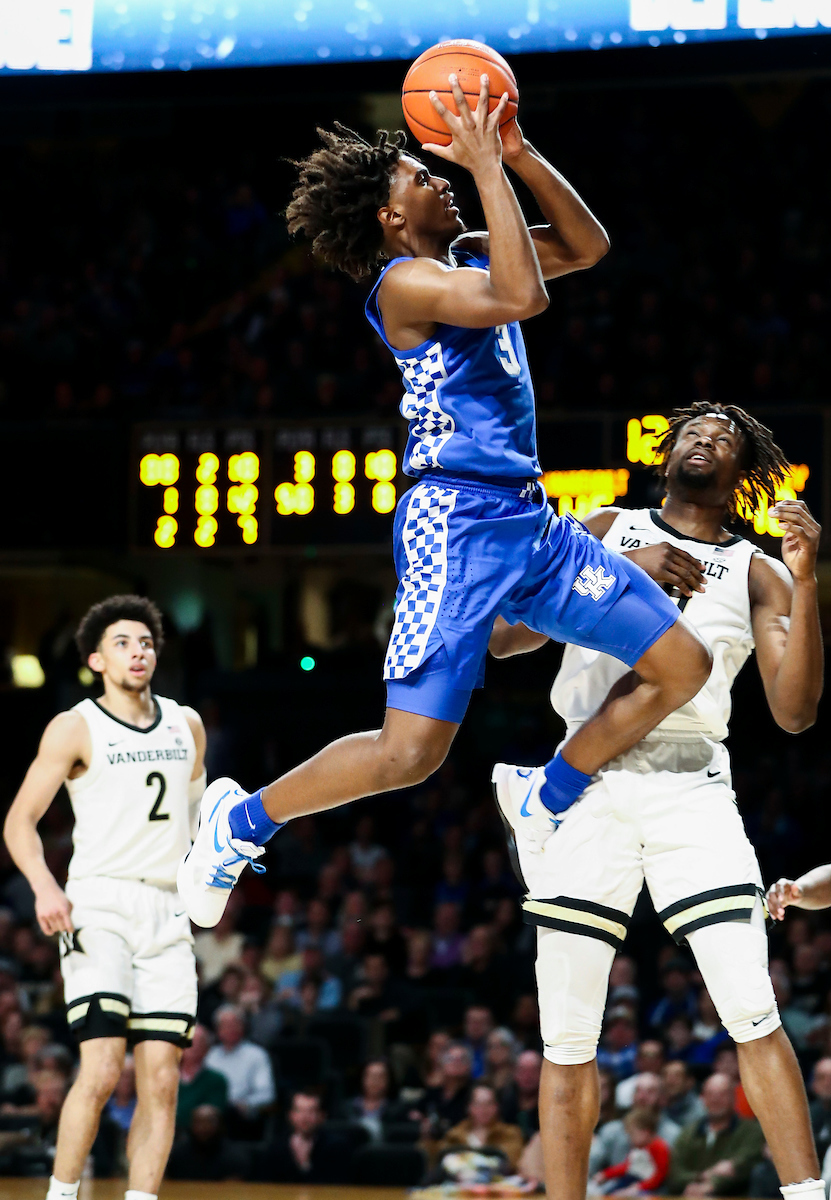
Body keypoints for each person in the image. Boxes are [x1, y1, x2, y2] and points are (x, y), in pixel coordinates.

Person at [177, 72, 712, 931]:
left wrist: (514, 152)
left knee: (683, 665)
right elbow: (522, 296)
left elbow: (585, 245)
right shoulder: (401, 285)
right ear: (391, 220)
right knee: (410, 754)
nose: (440, 179)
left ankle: (545, 791)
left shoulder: (466, 256)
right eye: (420, 179)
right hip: (456, 521)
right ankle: (240, 821)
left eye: (437, 172)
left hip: (528, 519)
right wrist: (486, 173)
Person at [490, 403, 824, 1200]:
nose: (705, 437)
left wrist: (806, 582)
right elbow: (503, 637)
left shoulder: (757, 571)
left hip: (690, 784)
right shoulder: (602, 526)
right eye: (693, 430)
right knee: (567, 1036)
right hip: (582, 780)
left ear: (743, 475)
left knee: (751, 1006)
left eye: (726, 437)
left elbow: (794, 711)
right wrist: (612, 575)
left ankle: (806, 1196)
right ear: (667, 451)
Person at [3, 594, 207, 1200]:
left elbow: (196, 820)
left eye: (145, 642)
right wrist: (44, 887)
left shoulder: (186, 723)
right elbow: (19, 821)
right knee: (100, 1065)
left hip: (169, 909)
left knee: (163, 1080)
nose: (137, 651)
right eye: (122, 642)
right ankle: (62, 1195)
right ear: (96, 658)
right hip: (100, 904)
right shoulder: (74, 726)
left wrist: (210, 879)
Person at [666, 1072, 765, 1197]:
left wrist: (711, 1185)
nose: (715, 1099)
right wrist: (702, 1177)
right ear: (702, 1098)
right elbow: (675, 1173)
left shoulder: (752, 1130)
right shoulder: (688, 1133)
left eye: (722, 1094)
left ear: (734, 1097)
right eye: (710, 1094)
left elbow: (744, 1166)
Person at [204, 1004, 274, 1137]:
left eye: (235, 1024)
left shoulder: (257, 1054)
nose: (230, 1029)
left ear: (243, 1027)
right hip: (212, 1112)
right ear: (217, 1030)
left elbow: (267, 1094)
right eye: (225, 1025)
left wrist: (246, 1104)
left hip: (241, 1115)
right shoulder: (210, 1056)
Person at [435, 1083, 525, 1172]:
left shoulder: (511, 1134)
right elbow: (442, 1163)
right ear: (469, 1107)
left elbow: (513, 1162)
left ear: (497, 1106)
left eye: (489, 1103)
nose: (483, 1109)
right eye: (477, 1104)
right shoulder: (454, 1135)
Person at [590, 1107, 670, 1196]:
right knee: (608, 1191)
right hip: (630, 1181)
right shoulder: (638, 1148)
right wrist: (605, 1174)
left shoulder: (659, 1146)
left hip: (648, 1187)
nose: (629, 1139)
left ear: (644, 1132)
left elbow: (659, 1174)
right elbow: (627, 1166)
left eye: (632, 1134)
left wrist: (639, 1187)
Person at [165, 1104, 247, 1182]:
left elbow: (233, 1187)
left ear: (220, 1125)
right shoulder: (176, 1155)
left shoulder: (235, 1155)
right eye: (198, 1122)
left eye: (209, 1122)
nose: (203, 1127)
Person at [175, 1024, 228, 1132]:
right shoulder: (168, 1077)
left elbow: (212, 1116)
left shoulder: (216, 1080)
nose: (193, 1047)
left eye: (199, 1043)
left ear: (207, 1049)